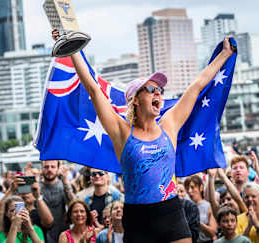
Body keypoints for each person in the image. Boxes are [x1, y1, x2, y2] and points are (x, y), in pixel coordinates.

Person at [52, 29, 235, 243]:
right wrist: (71, 48)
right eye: (151, 89)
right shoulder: (122, 132)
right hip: (138, 218)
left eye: (160, 90)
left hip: (171, 213)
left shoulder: (169, 124)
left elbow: (196, 88)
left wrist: (225, 54)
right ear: (135, 100)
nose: (158, 93)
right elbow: (93, 89)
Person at [40, 160, 75, 243]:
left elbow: (73, 204)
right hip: (41, 234)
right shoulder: (36, 187)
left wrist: (66, 183)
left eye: (53, 167)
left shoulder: (64, 185)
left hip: (61, 234)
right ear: (42, 169)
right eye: (46, 167)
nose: (49, 169)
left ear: (58, 168)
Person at [185, 175, 217, 242]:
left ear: (201, 187)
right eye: (187, 188)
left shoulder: (207, 206)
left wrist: (197, 222)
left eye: (193, 187)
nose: (190, 191)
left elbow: (213, 233)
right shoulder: (185, 206)